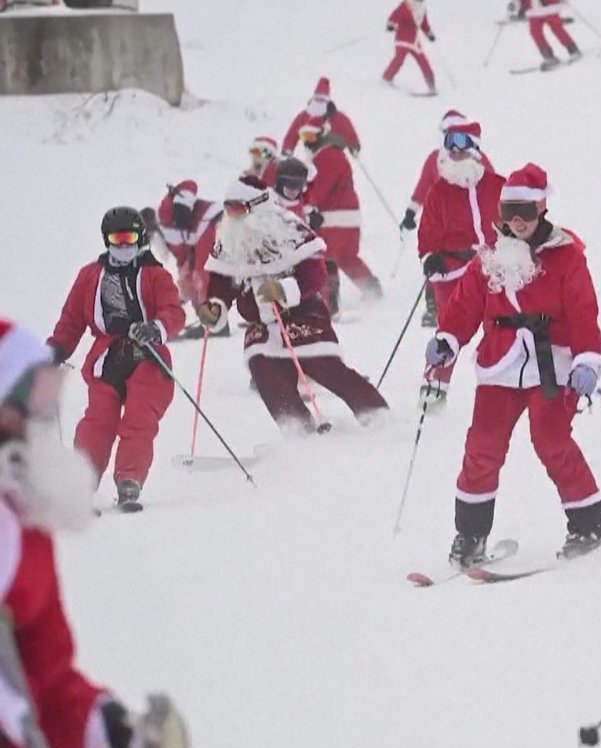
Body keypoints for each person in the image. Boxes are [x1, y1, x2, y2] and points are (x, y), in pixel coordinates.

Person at [0, 317, 192, 748]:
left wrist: (117, 731)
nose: (41, 417)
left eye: (46, 396)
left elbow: (47, 677)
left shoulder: (25, 533)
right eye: (28, 398)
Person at [424, 164, 601, 566]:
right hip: (500, 365)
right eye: (509, 211)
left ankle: (589, 523)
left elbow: (584, 313)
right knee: (482, 448)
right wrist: (447, 339)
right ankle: (470, 536)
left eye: (525, 212)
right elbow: (464, 307)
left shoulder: (566, 257)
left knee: (552, 442)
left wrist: (586, 361)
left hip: (552, 365)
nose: (517, 221)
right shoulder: (489, 258)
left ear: (541, 208)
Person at [201, 176, 389, 432]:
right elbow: (222, 281)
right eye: (228, 209)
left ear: (257, 206)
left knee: (323, 365)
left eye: (237, 209)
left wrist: (282, 290)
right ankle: (296, 426)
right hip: (261, 323)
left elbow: (315, 274)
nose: (231, 217)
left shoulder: (290, 229)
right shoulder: (228, 238)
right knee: (264, 369)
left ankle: (375, 412)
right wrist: (216, 305)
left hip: (302, 313)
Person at [44, 208, 184, 511]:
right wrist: (57, 349)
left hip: (148, 358)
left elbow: (174, 311)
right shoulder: (90, 276)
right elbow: (71, 320)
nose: (122, 246)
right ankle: (80, 484)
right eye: (115, 239)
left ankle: (129, 479)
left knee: (139, 417)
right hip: (108, 358)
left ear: (140, 238)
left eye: (129, 238)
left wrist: (156, 327)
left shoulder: (155, 274)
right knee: (98, 420)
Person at [417, 116, 504, 412]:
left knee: (501, 329)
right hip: (452, 274)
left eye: (462, 149)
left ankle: (500, 389)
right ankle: (433, 392)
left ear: (475, 151)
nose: (455, 154)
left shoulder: (498, 186)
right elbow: (427, 232)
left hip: (493, 273)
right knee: (449, 332)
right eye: (450, 149)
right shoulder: (439, 192)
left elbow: (517, 224)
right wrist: (430, 257)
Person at [297, 117, 381, 314]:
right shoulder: (331, 154)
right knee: (346, 257)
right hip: (347, 216)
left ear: (322, 134)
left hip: (334, 217)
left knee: (325, 257)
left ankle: (329, 303)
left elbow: (318, 188)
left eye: (310, 136)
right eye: (303, 137)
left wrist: (308, 207)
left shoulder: (326, 156)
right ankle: (370, 288)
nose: (306, 142)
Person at [141, 180, 223, 334]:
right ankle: (206, 319)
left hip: (211, 222)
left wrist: (182, 203)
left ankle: (213, 323)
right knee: (189, 275)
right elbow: (183, 260)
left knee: (200, 273)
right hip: (200, 237)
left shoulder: (164, 212)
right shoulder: (166, 238)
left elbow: (189, 185)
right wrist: (183, 293)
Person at [402, 110, 497, 236]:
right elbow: (424, 185)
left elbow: (493, 187)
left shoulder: (478, 158)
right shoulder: (435, 159)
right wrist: (411, 211)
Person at [281, 77, 362, 155]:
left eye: (322, 100)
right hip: (312, 154)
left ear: (327, 102)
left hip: (335, 154)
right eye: (317, 100)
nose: (319, 103)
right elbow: (292, 134)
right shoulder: (303, 117)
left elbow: (348, 131)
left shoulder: (338, 118)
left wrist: (354, 146)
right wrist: (288, 149)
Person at [383, 0, 438, 95]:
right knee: (399, 59)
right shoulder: (406, 5)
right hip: (403, 38)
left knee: (423, 61)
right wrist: (390, 24)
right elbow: (395, 15)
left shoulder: (422, 9)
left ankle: (431, 86)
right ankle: (387, 78)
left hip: (414, 40)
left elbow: (424, 24)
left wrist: (429, 34)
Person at [513, 0, 582, 70]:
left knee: (556, 28)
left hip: (549, 8)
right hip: (533, 11)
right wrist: (518, 8)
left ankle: (573, 49)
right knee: (535, 32)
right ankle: (549, 56)